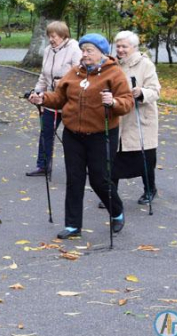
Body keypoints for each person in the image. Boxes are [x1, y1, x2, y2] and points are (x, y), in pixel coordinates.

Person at [29, 33, 133, 239]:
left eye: (89, 51)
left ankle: (117, 211)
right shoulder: (75, 73)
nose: (84, 55)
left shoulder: (114, 74)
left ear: (102, 53)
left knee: (100, 179)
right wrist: (42, 99)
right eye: (83, 50)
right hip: (73, 135)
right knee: (74, 178)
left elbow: (127, 103)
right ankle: (73, 225)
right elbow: (59, 98)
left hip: (101, 133)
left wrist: (113, 102)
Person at [110, 30, 161, 204]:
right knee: (113, 156)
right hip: (117, 116)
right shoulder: (112, 64)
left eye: (124, 46)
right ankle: (111, 193)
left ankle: (150, 189)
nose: (121, 49)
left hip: (139, 118)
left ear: (134, 47)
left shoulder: (145, 64)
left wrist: (140, 92)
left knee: (144, 156)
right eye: (118, 46)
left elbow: (155, 91)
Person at [26, 21, 82, 177]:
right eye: (49, 36)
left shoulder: (74, 49)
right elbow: (44, 76)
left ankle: (82, 166)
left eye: (53, 36)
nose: (51, 39)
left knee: (75, 136)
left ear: (63, 35)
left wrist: (64, 81)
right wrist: (37, 92)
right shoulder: (48, 51)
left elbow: (81, 74)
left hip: (71, 101)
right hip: (52, 99)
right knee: (46, 132)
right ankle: (43, 165)